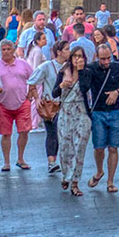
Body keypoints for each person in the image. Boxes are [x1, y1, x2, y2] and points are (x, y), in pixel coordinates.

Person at [80, 39, 119, 193]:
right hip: (98, 112)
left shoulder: (118, 67)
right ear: (96, 57)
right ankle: (99, 171)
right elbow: (83, 87)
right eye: (103, 59)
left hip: (116, 111)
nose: (106, 61)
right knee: (98, 147)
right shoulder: (91, 69)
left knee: (114, 147)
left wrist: (117, 93)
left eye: (108, 58)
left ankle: (110, 181)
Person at [0, 39, 37, 171]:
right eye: (3, 49)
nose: (6, 52)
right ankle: (6, 162)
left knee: (24, 131)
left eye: (8, 49)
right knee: (5, 134)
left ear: (13, 50)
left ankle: (20, 158)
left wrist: (31, 93)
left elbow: (34, 78)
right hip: (3, 103)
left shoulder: (23, 64)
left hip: (22, 102)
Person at [34, 35, 74, 175]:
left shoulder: (72, 67)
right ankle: (52, 162)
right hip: (51, 104)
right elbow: (32, 81)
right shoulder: (47, 66)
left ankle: (61, 160)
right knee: (53, 132)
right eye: (67, 49)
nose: (70, 51)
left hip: (68, 104)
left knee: (61, 132)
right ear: (59, 52)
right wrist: (36, 98)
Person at [55, 46, 92, 195]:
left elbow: (84, 89)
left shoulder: (87, 73)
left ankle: (75, 182)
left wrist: (81, 71)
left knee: (79, 148)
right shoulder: (63, 72)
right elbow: (54, 92)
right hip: (66, 112)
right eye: (75, 56)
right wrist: (61, 85)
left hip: (81, 111)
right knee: (65, 148)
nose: (78, 59)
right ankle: (66, 174)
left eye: (80, 56)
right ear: (71, 58)